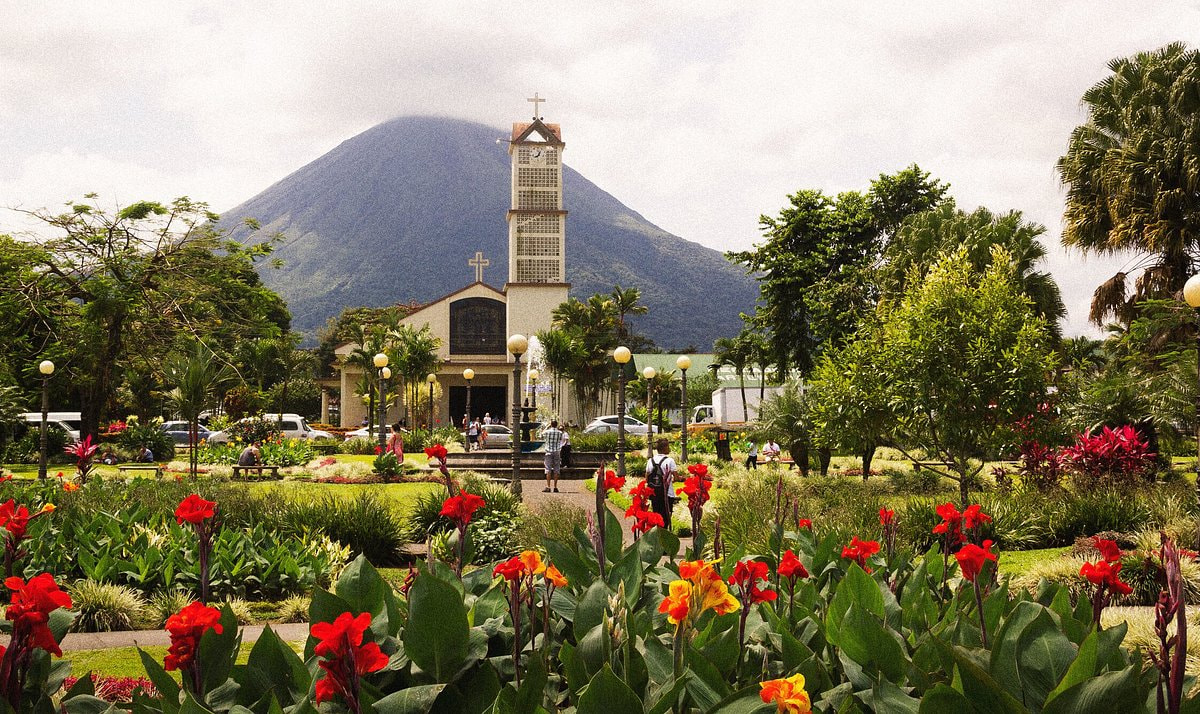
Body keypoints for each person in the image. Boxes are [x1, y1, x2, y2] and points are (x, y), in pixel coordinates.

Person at [645, 438, 677, 528]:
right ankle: (664, 536)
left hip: (654, 494)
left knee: (656, 517)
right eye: (668, 446)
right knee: (666, 518)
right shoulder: (670, 461)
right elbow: (677, 477)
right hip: (667, 494)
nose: (669, 449)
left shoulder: (650, 461)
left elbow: (647, 478)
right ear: (664, 447)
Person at [541, 420, 565, 493]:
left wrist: (547, 427)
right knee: (556, 469)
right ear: (556, 425)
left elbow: (541, 435)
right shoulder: (560, 433)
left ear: (551, 424)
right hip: (557, 452)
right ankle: (555, 487)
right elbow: (561, 440)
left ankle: (548, 486)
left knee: (548, 469)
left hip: (548, 451)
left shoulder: (547, 432)